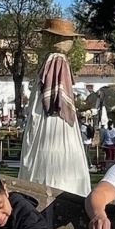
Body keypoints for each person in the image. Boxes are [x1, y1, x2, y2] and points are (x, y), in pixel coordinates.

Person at [18, 18, 92, 196]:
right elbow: (56, 100)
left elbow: (53, 99)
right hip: (52, 121)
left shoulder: (54, 61)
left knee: (49, 161)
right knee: (56, 161)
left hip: (51, 121)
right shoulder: (57, 61)